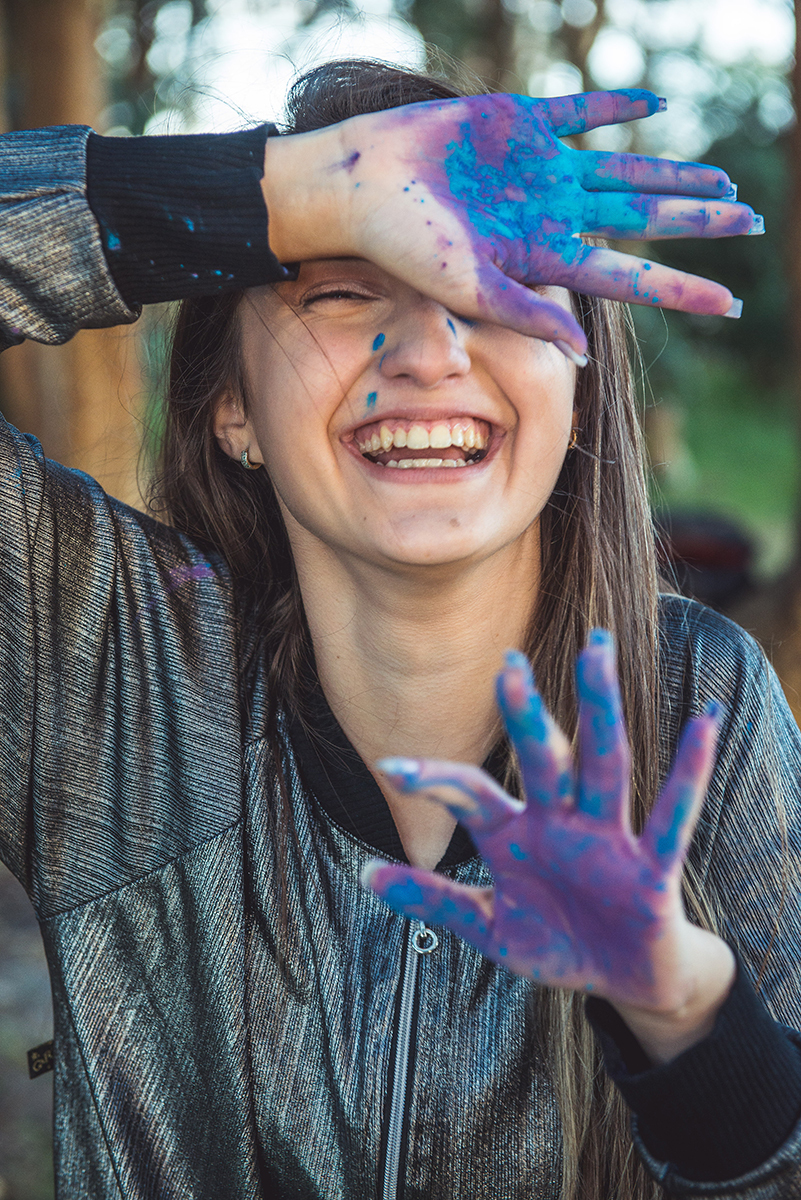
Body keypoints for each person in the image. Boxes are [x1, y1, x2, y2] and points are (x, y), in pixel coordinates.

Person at [0, 57, 798, 1200]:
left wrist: (689, 1023)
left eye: (503, 281)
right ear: (232, 408)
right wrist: (282, 192)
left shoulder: (703, 706)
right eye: (338, 285)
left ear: (580, 390)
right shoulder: (100, 654)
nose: (429, 352)